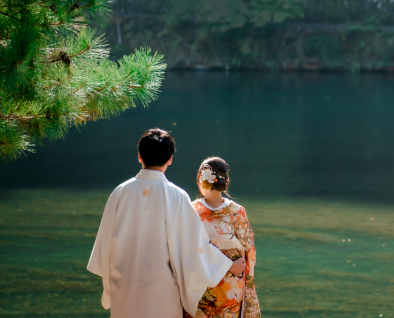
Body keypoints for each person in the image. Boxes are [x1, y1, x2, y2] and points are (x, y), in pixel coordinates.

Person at [87, 129, 246, 318]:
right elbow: (195, 248)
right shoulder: (176, 195)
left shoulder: (120, 192)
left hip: (124, 286)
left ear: (139, 156)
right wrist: (227, 264)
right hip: (161, 291)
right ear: (170, 159)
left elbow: (104, 245)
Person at [186, 157, 262, 318]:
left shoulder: (191, 211)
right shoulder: (237, 212)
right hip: (232, 290)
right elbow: (250, 254)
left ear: (201, 179)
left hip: (201, 288)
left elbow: (188, 252)